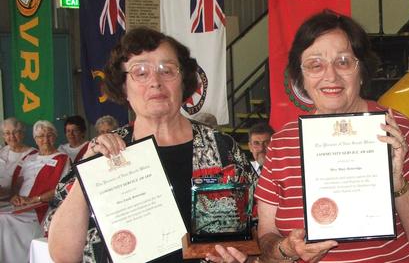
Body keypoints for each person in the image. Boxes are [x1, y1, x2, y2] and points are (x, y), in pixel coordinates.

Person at [46, 27, 256, 263]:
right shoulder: (104, 153)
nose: (155, 82)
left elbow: (254, 226)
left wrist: (243, 257)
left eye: (167, 71)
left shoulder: (221, 148)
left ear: (183, 81)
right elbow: (63, 255)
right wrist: (89, 171)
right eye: (140, 72)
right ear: (124, 86)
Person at [253, 11, 409, 262]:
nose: (331, 76)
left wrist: (398, 185)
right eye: (315, 64)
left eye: (343, 62)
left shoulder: (397, 130)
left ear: (362, 70)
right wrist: (287, 249)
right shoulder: (283, 143)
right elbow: (267, 238)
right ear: (300, 76)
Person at [0, 120, 70, 263]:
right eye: (40, 136)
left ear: (55, 137)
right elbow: (17, 185)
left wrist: (34, 199)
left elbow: (62, 189)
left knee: (4, 220)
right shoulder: (28, 158)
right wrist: (15, 197)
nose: (45, 140)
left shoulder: (63, 158)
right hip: (21, 204)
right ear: (35, 139)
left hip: (41, 207)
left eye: (49, 135)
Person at [0, 117, 35, 198]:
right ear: (3, 136)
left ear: (22, 134)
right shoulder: (2, 151)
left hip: (17, 200)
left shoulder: (33, 155)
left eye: (15, 132)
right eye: (7, 133)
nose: (12, 136)